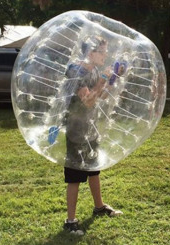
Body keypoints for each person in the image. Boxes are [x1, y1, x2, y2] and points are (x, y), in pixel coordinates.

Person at [62, 36, 122, 235]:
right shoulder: (75, 70)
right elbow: (87, 100)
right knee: (75, 175)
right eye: (102, 52)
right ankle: (70, 221)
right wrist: (103, 79)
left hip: (91, 128)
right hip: (76, 130)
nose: (105, 55)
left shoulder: (94, 70)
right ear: (91, 53)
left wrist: (111, 79)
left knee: (93, 170)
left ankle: (99, 206)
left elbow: (100, 96)